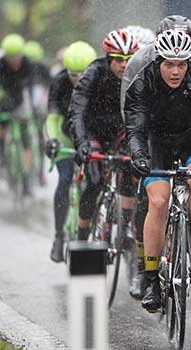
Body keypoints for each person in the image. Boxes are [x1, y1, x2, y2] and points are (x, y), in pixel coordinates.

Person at [124, 29, 191, 312]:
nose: (175, 71)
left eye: (181, 64)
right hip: (155, 144)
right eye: (169, 64)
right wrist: (138, 155)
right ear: (158, 60)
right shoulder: (142, 81)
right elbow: (135, 129)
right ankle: (151, 280)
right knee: (158, 201)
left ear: (189, 62)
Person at [68, 29, 138, 244]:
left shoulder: (138, 75)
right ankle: (81, 236)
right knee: (95, 182)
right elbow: (77, 110)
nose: (124, 65)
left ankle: (125, 228)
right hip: (93, 132)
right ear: (108, 58)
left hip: (121, 133)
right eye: (118, 59)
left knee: (130, 169)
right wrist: (81, 142)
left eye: (129, 59)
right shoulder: (94, 72)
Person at [45, 41, 97, 262]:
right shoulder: (58, 82)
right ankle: (58, 236)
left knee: (93, 183)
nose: (78, 80)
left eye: (82, 75)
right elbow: (53, 116)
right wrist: (54, 140)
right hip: (66, 134)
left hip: (89, 135)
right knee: (65, 178)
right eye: (73, 75)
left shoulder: (99, 79)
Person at [0, 33, 36, 195]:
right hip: (4, 99)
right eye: (11, 58)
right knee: (2, 125)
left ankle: (26, 178)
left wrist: (31, 112)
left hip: (20, 100)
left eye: (18, 57)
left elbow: (30, 90)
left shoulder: (28, 65)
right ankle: (1, 153)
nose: (15, 61)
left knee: (26, 140)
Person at [24, 40, 52, 185]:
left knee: (40, 140)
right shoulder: (26, 69)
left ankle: (40, 171)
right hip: (27, 108)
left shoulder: (43, 68)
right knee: (29, 140)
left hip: (40, 108)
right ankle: (30, 172)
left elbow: (50, 89)